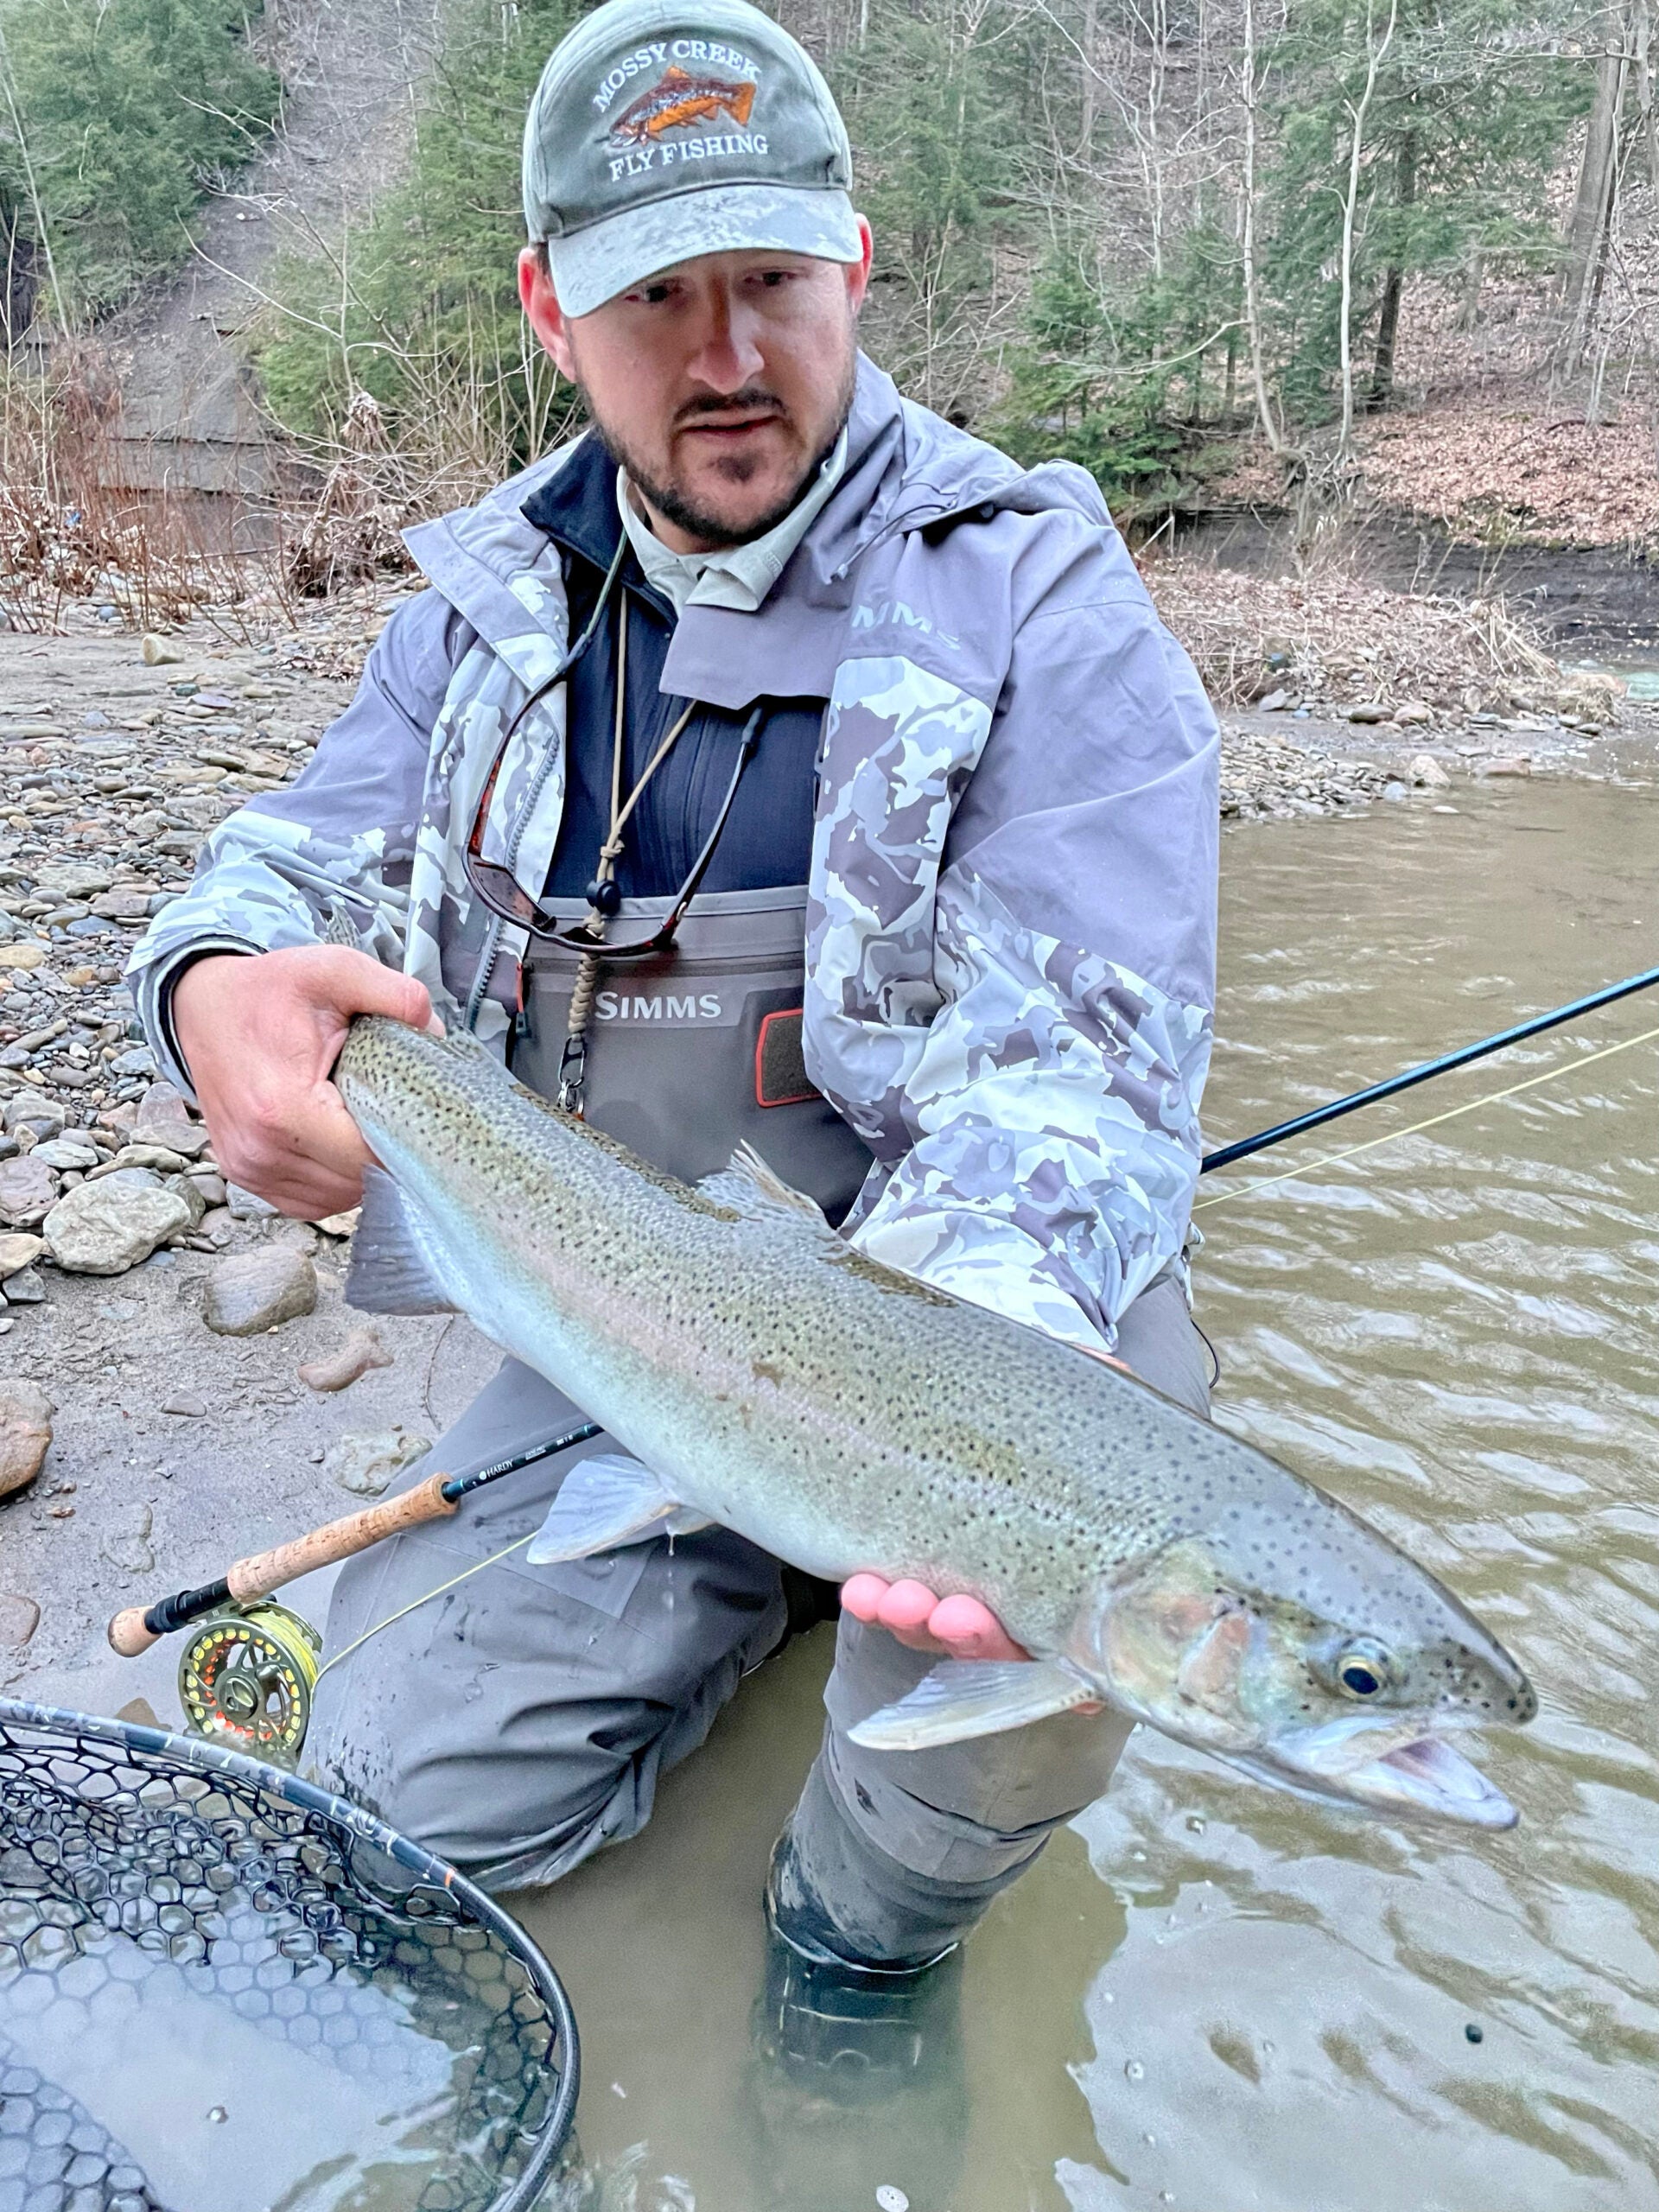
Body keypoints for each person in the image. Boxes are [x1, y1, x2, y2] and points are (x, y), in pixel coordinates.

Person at [128, 0, 1218, 1993]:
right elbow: (284, 866)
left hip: (985, 1322)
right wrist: (209, 981)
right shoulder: (479, 609)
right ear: (551, 307)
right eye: (658, 299)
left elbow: (1079, 1061)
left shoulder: (1035, 588)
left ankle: (852, 1963)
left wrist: (906, 1433)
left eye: (773, 283)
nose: (729, 358)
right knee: (385, 1820)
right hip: (633, 1306)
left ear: (856, 260)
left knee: (1087, 1612)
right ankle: (738, 1601)